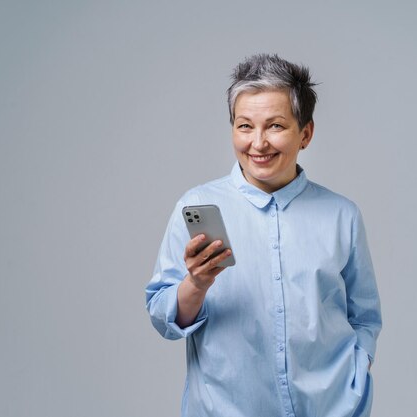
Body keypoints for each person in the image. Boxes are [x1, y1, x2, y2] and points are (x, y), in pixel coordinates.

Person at [146, 53, 382, 417]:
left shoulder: (342, 215)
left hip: (330, 409)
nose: (258, 143)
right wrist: (196, 283)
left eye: (275, 126)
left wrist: (358, 370)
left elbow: (364, 316)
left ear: (305, 133)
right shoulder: (195, 205)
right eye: (244, 126)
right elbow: (162, 317)